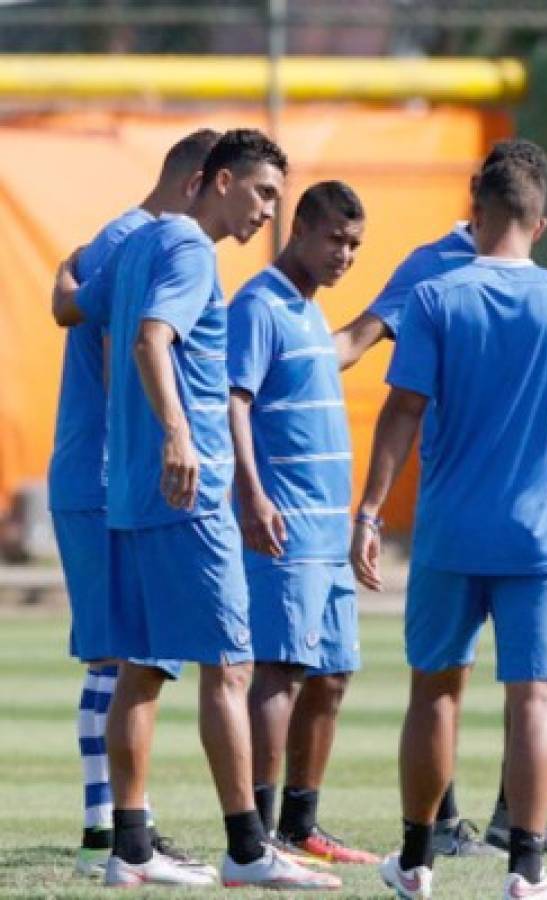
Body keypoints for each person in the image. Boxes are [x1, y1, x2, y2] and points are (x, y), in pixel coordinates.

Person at [51, 129, 337, 890]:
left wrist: (63, 271)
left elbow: (72, 307)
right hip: (188, 493)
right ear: (215, 182)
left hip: (134, 497)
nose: (267, 212)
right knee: (231, 667)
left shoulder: (136, 247)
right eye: (261, 193)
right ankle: (247, 849)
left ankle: (129, 847)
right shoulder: (187, 250)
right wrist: (181, 437)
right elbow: (150, 340)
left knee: (141, 669)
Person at [355, 142, 547, 900]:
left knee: (434, 692)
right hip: (540, 537)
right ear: (539, 223)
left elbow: (402, 411)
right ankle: (527, 872)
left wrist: (370, 512)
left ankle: (416, 861)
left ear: (474, 214)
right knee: (536, 699)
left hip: (450, 531)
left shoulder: (435, 298)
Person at [48, 128, 221, 879]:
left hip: (105, 471)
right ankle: (108, 837)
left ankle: (116, 830)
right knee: (121, 652)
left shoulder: (125, 238)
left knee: (121, 652)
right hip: (104, 472)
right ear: (197, 184)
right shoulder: (142, 241)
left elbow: (68, 303)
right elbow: (123, 348)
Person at [226, 180, 378, 865]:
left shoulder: (312, 313)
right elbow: (232, 403)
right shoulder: (259, 304)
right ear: (298, 232)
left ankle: (298, 825)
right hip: (283, 531)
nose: (344, 255)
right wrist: (252, 495)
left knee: (333, 676)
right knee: (279, 673)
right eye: (334, 240)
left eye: (354, 245)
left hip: (327, 535)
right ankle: (254, 834)